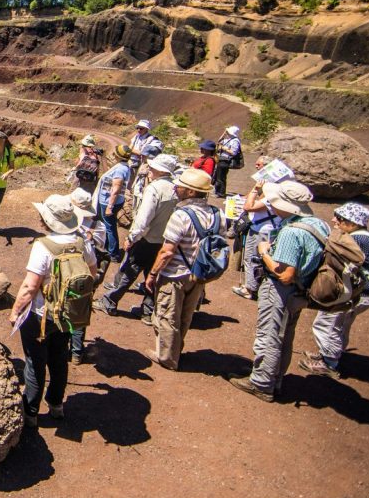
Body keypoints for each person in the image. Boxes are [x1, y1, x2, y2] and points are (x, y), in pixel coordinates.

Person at [229, 180, 326, 402]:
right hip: (303, 289)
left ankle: (261, 383)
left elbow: (285, 274)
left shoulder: (292, 232)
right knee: (285, 335)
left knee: (269, 335)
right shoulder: (318, 224)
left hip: (281, 289)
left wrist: (264, 252)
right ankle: (276, 380)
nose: (273, 206)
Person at [9, 195, 97, 426]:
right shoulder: (82, 242)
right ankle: (56, 405)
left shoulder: (43, 246)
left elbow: (30, 286)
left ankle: (31, 412)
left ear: (45, 220)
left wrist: (15, 311)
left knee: (35, 363)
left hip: (42, 315)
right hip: (68, 313)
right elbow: (93, 274)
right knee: (59, 359)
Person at [144, 168, 224, 370]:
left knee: (167, 315)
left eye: (180, 186)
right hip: (199, 274)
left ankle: (168, 357)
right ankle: (176, 349)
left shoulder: (181, 215)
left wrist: (153, 273)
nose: (176, 188)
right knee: (186, 315)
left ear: (191, 192)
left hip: (175, 274)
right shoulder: (217, 214)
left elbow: (167, 251)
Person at [299, 203, 369, 379]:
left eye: (340, 218)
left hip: (351, 292)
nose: (334, 220)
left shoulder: (357, 240)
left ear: (353, 222)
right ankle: (330, 354)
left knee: (326, 323)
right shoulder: (363, 237)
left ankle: (328, 363)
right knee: (340, 324)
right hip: (363, 293)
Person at [99, 154, 179, 323]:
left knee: (130, 270)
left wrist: (132, 237)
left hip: (146, 238)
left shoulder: (155, 189)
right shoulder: (175, 189)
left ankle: (110, 301)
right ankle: (147, 310)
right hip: (163, 240)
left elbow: (143, 219)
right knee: (153, 274)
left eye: (153, 167)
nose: (149, 169)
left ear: (160, 170)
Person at [232, 155, 283, 300]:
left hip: (261, 229)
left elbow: (249, 206)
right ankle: (255, 285)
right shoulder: (276, 190)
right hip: (268, 228)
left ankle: (250, 288)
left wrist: (255, 189)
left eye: (259, 165)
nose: (256, 166)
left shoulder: (272, 194)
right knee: (259, 257)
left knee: (252, 257)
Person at [68, 187, 106, 364]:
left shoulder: (68, 223)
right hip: (86, 275)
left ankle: (64, 348)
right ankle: (76, 351)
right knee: (81, 312)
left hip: (68, 272)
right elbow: (97, 254)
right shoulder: (99, 227)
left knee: (62, 307)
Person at [93, 144, 132, 262]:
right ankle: (107, 247)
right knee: (108, 225)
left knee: (109, 227)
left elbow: (116, 188)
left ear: (117, 155)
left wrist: (109, 207)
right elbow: (108, 173)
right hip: (112, 201)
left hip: (108, 201)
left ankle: (113, 253)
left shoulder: (120, 169)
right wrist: (103, 158)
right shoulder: (122, 166)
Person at [213, 126, 242, 198]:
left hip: (226, 160)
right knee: (217, 175)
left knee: (221, 177)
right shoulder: (229, 139)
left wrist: (224, 148)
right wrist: (224, 133)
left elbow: (233, 152)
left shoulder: (235, 141)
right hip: (222, 159)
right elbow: (219, 141)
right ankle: (217, 191)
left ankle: (221, 193)